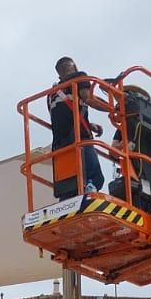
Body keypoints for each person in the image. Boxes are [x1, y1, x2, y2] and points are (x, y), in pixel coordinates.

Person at [46, 56, 113, 200]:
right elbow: (90, 99)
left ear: (59, 75)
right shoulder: (78, 78)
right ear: (75, 67)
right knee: (96, 178)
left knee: (69, 184)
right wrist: (114, 108)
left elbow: (65, 116)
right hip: (79, 140)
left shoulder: (51, 94)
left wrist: (89, 125)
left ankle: (71, 201)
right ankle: (89, 194)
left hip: (59, 146)